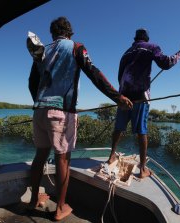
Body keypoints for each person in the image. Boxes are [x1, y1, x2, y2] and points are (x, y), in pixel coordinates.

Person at [27, 16, 133, 221]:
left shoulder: (41, 52)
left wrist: (40, 102)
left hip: (39, 111)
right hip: (62, 112)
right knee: (63, 160)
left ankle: (32, 201)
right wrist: (117, 97)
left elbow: (32, 82)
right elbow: (93, 72)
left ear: (53, 33)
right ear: (69, 32)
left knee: (40, 156)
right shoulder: (76, 47)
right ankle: (60, 207)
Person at [107, 28, 180, 178]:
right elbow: (166, 63)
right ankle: (142, 169)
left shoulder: (126, 53)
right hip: (141, 96)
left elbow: (120, 76)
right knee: (141, 131)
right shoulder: (152, 47)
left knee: (118, 128)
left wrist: (124, 94)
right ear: (147, 38)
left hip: (124, 97)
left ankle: (111, 156)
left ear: (135, 39)